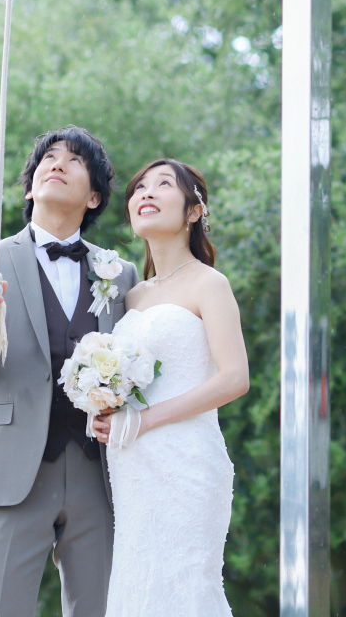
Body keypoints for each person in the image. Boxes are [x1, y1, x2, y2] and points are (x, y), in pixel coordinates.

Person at [0, 126, 138, 617]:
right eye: (49, 157)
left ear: (93, 197)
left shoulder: (120, 273)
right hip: (11, 467)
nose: (58, 163)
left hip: (100, 472)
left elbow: (140, 370)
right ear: (29, 188)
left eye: (74, 160)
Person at [92, 158, 249, 617]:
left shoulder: (209, 283)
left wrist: (144, 421)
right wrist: (104, 410)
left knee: (184, 586)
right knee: (137, 588)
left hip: (186, 461)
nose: (146, 192)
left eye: (163, 185)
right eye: (140, 187)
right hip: (133, 466)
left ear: (193, 212)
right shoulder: (133, 295)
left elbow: (234, 378)